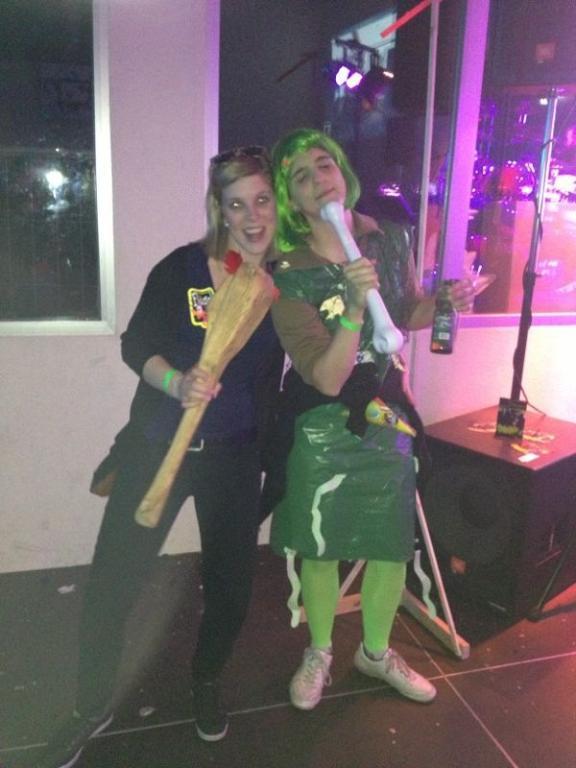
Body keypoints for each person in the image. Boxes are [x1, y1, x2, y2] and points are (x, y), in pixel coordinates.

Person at [34, 145, 283, 768]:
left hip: (233, 459)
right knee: (113, 582)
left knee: (231, 588)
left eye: (262, 200)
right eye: (237, 204)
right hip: (158, 449)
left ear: (275, 204)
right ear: (218, 209)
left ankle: (206, 679)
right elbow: (135, 344)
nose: (252, 216)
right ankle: (90, 704)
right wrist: (176, 381)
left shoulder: (279, 288)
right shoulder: (183, 269)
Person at [268, 128, 474, 712]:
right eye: (301, 176)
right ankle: (320, 650)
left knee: (390, 543)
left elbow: (406, 312)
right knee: (321, 543)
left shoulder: (388, 237)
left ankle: (376, 653)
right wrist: (355, 307)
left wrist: (444, 303)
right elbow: (325, 376)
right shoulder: (288, 270)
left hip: (386, 416)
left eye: (324, 164)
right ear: (291, 198)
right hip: (322, 421)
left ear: (342, 170)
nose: (318, 180)